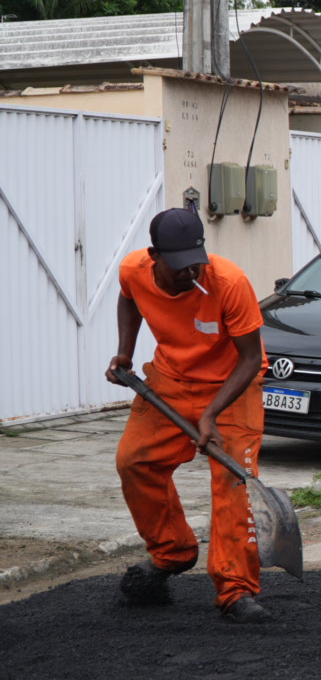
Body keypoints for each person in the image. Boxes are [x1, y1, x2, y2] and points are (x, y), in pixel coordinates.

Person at [108, 207, 271, 623]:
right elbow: (129, 300)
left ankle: (236, 590)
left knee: (234, 479)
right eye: (179, 266)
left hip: (233, 388)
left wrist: (212, 413)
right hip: (171, 381)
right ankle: (172, 552)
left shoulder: (229, 282)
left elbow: (251, 358)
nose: (190, 273)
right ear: (154, 256)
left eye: (195, 262)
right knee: (135, 461)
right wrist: (125, 351)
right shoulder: (133, 269)